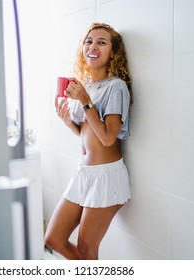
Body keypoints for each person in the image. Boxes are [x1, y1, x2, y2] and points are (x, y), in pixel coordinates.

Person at [44, 23, 133, 260]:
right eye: (89, 41)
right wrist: (67, 121)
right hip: (83, 173)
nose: (93, 46)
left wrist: (85, 101)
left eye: (102, 42)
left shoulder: (116, 87)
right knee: (52, 239)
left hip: (106, 176)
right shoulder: (86, 86)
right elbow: (88, 133)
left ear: (113, 53)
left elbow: (107, 138)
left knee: (86, 249)